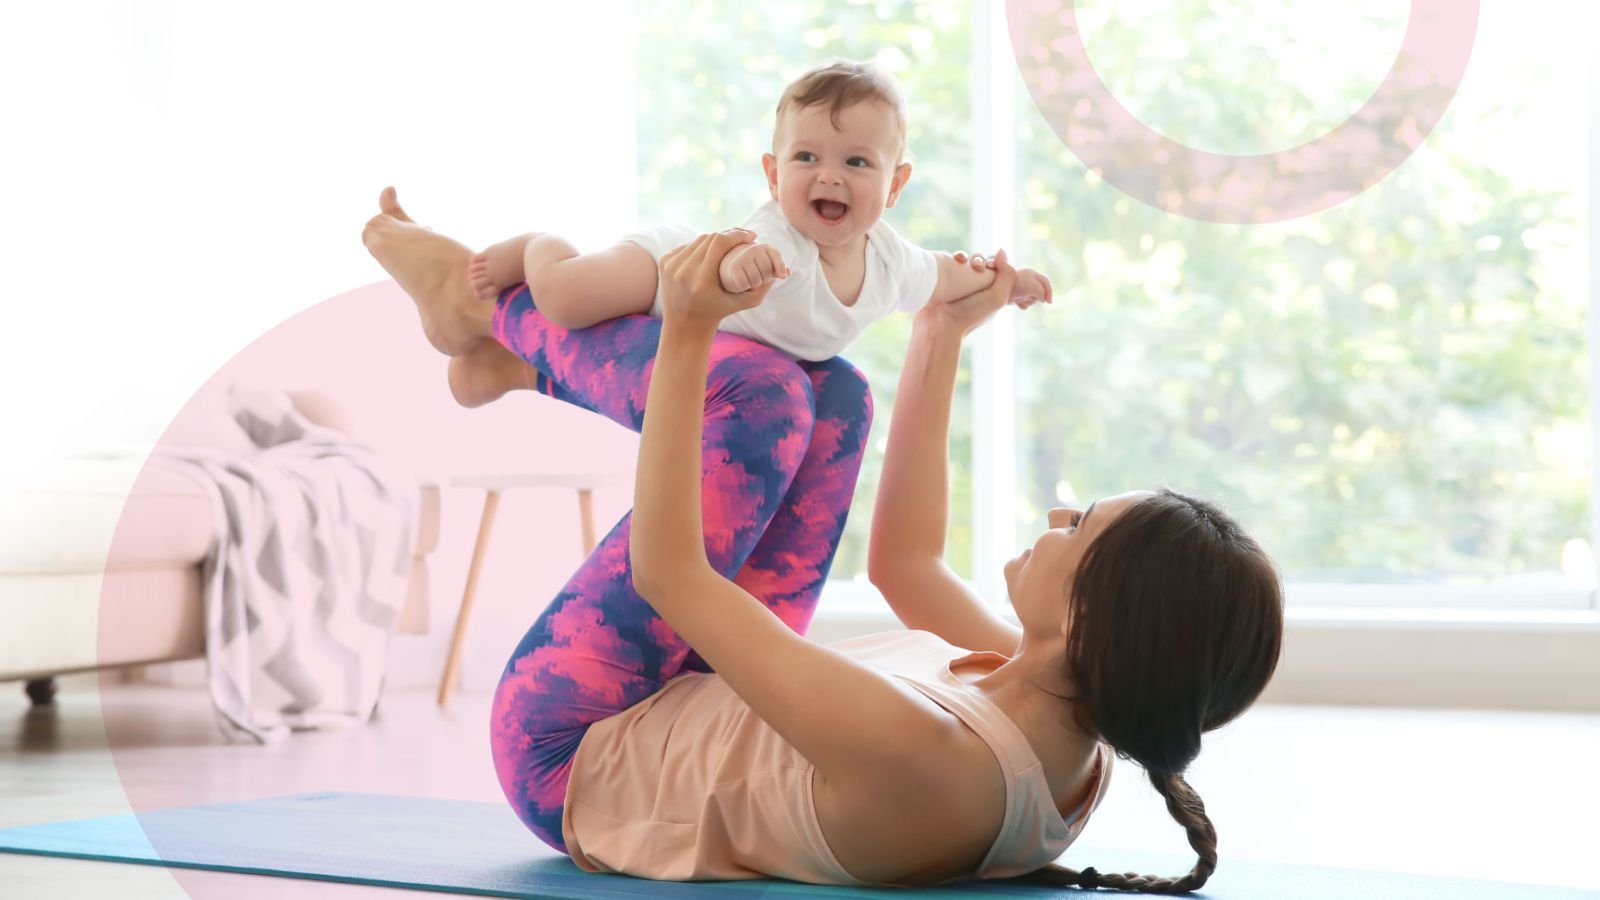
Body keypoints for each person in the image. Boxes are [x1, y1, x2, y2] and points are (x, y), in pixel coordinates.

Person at [361, 192, 1284, 893]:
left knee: (755, 396)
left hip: (574, 748)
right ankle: (510, 364)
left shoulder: (938, 762)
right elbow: (906, 565)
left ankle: (484, 309)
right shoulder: (1062, 703)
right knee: (837, 395)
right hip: (692, 696)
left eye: (1079, 529)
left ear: (1097, 615)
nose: (1055, 518)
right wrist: (942, 330)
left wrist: (688, 330)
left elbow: (671, 576)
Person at [461, 60, 1053, 364]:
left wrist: (1010, 282)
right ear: (773, 175)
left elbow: (947, 275)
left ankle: (500, 366)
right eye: (806, 157)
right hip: (666, 271)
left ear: (895, 184)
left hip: (720, 332)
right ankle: (540, 246)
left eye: (856, 163)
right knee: (566, 298)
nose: (829, 176)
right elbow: (738, 258)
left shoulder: (892, 262)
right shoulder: (775, 238)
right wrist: (740, 269)